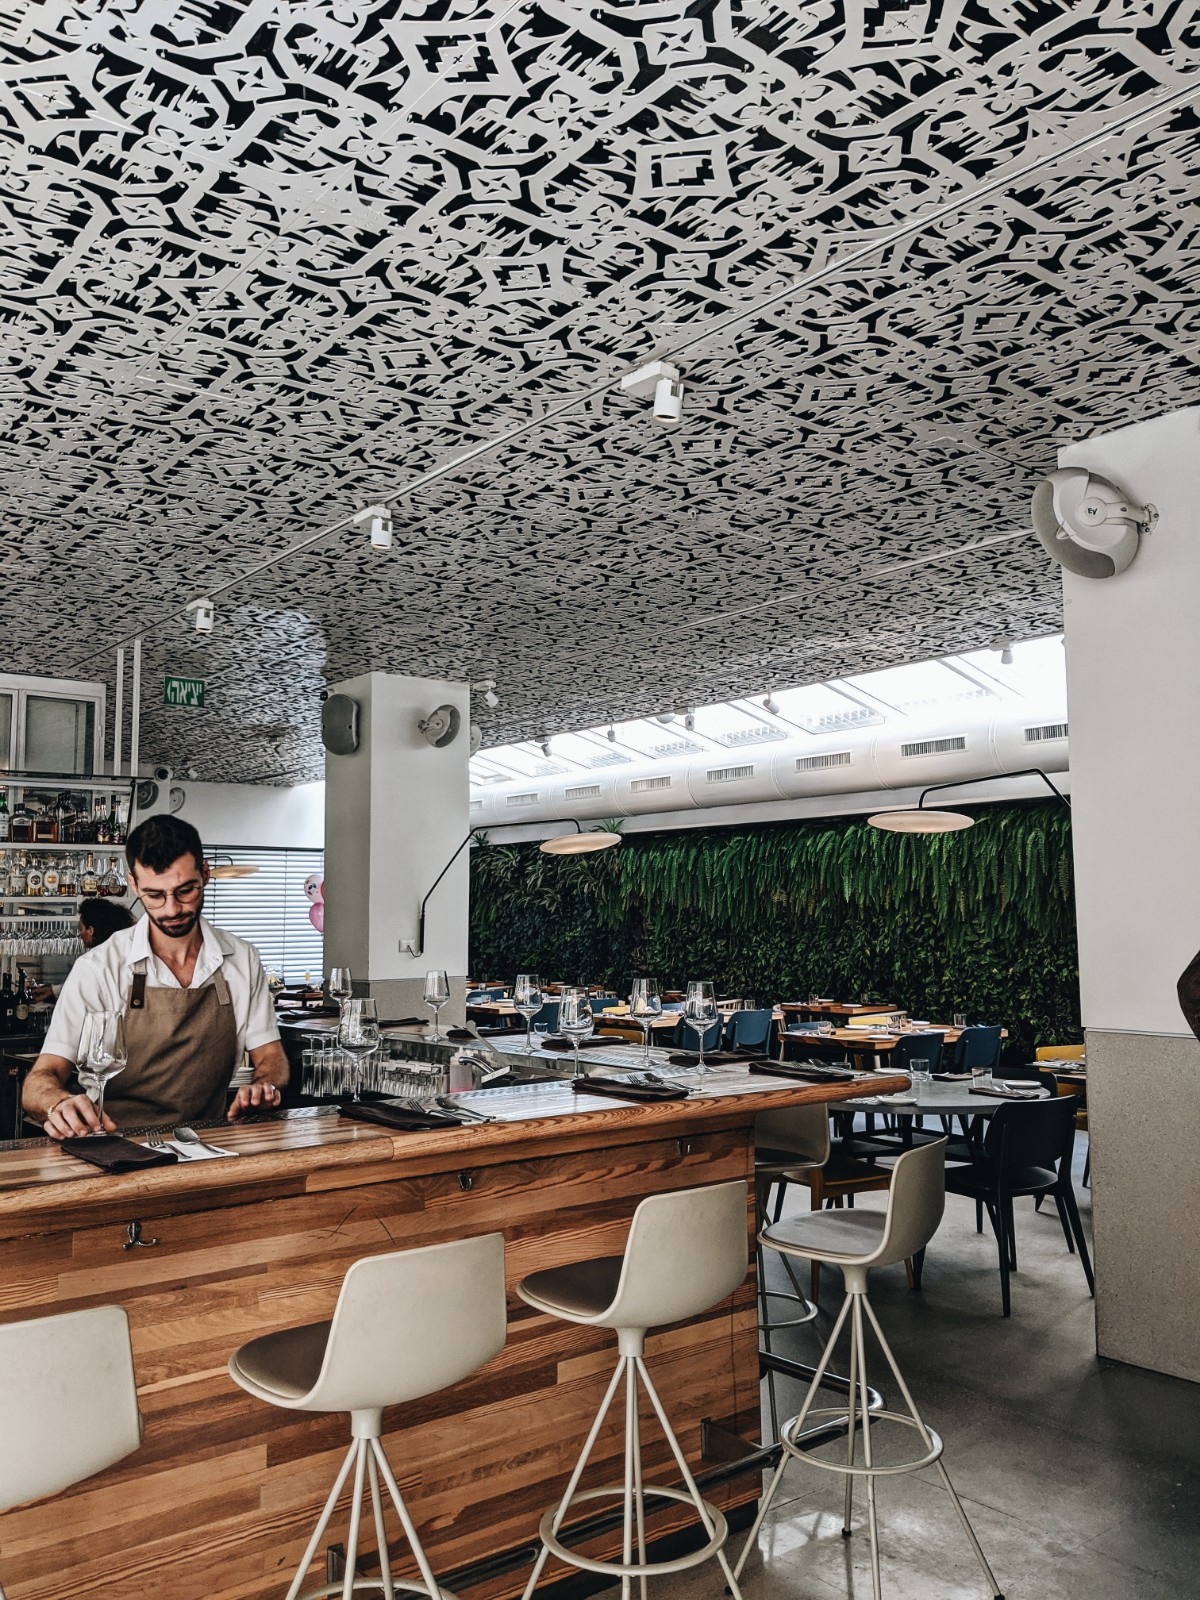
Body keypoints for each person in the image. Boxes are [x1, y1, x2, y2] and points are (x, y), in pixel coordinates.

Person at [24, 814, 288, 1138]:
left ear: (205, 874)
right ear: (134, 885)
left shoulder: (242, 959)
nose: (172, 909)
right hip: (112, 1146)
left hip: (209, 1144)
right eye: (154, 895)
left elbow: (271, 1057)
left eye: (185, 891)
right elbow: (42, 1077)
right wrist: (57, 1103)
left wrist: (264, 1085)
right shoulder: (98, 968)